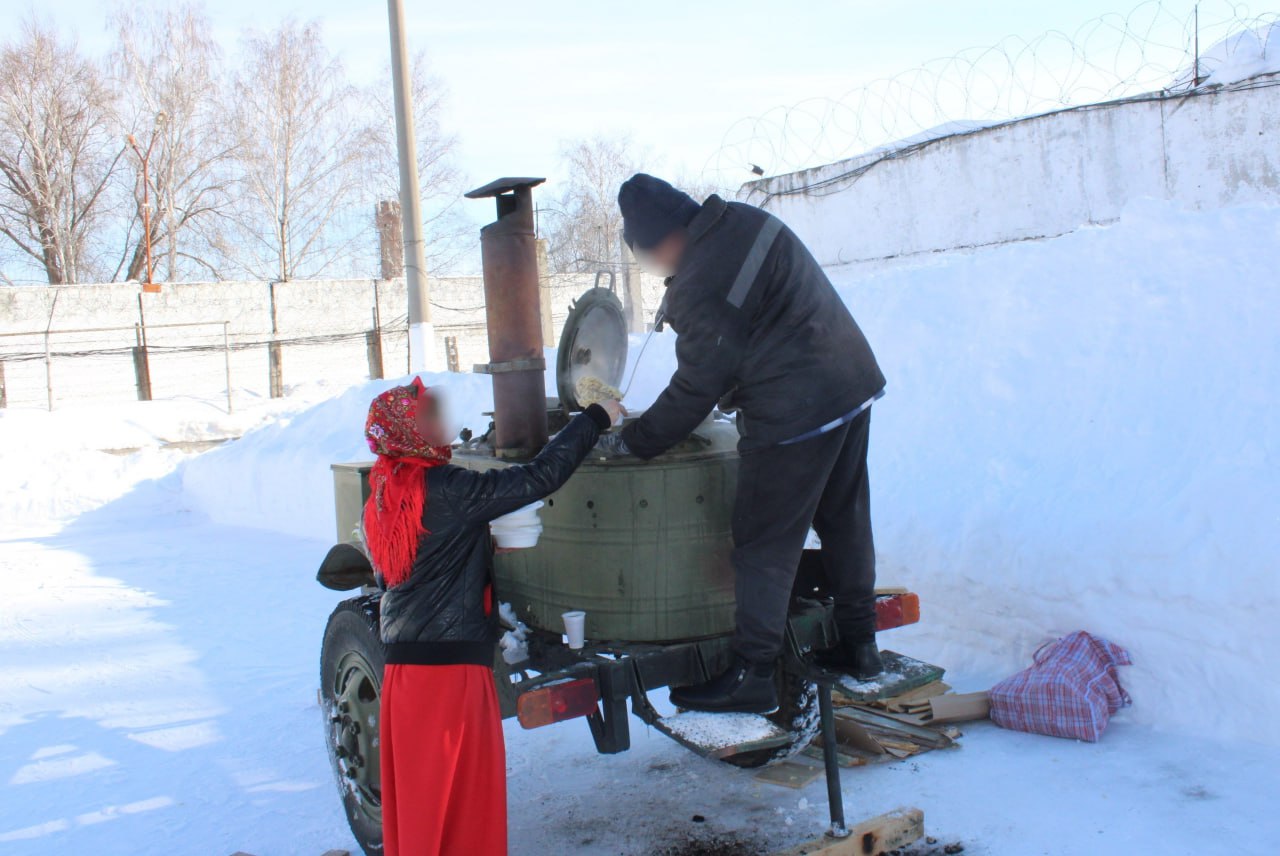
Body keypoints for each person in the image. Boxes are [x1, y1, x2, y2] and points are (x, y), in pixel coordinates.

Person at [598, 173, 887, 715]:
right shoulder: (744, 221)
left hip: (795, 410)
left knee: (762, 544)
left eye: (650, 257)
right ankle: (860, 645)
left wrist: (635, 442)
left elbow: (695, 389)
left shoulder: (699, 280)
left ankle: (752, 675)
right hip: (849, 385)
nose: (658, 268)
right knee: (844, 518)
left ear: (663, 238)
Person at [364, 377, 622, 856]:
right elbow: (538, 478)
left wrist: (476, 548)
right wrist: (595, 418)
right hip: (449, 675)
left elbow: (408, 571)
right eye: (429, 415)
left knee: (425, 806)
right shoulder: (443, 486)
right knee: (464, 802)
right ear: (409, 430)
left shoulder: (384, 490)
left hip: (405, 674)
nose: (442, 421)